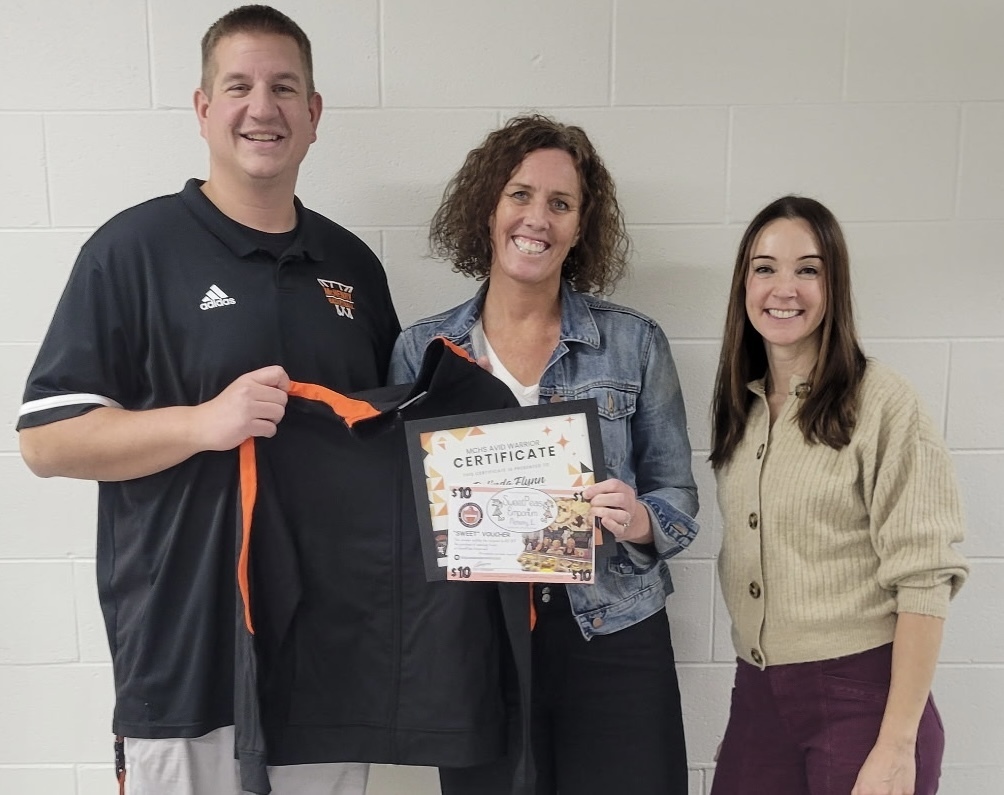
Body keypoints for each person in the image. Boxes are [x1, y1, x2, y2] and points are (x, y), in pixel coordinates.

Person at [17, 6, 399, 795]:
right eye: (239, 86)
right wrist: (201, 423)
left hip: (332, 662)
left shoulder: (353, 266)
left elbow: (394, 449)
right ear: (202, 108)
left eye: (284, 88)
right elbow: (46, 440)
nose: (263, 107)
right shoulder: (132, 250)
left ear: (314, 113)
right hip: (181, 657)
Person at [389, 114, 699, 795]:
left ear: (581, 227)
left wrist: (637, 520)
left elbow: (677, 496)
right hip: (480, 647)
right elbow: (399, 518)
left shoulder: (634, 343)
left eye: (561, 204)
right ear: (488, 208)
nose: (537, 218)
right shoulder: (424, 352)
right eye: (520, 195)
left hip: (615, 633)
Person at [709, 195, 969, 795]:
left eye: (809, 269)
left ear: (835, 285)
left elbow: (925, 578)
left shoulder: (883, 402)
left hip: (863, 703)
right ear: (744, 282)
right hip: (759, 698)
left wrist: (896, 745)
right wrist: (755, 719)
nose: (784, 288)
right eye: (765, 267)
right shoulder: (743, 407)